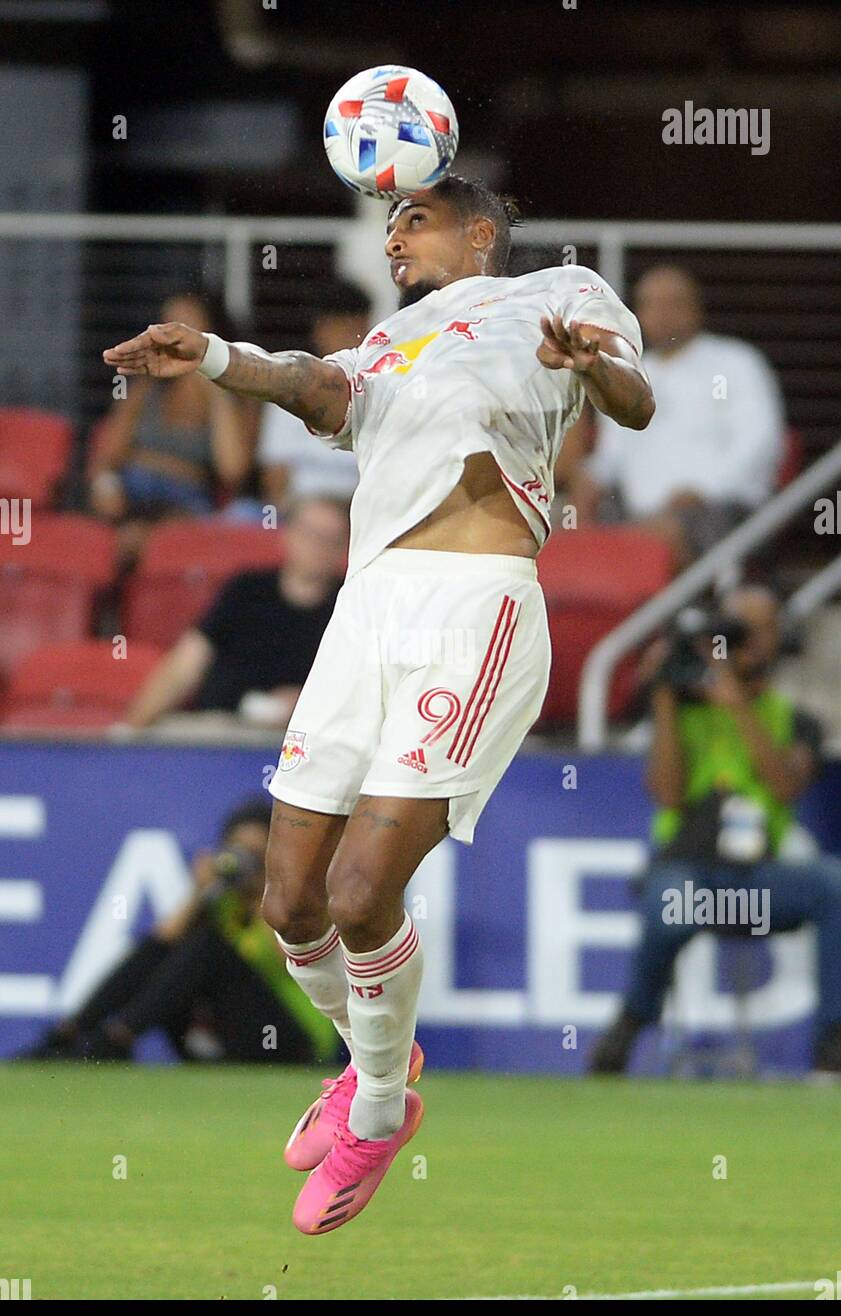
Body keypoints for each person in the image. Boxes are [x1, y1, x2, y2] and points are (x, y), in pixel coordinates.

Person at [103, 173, 654, 1234]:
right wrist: (214, 357)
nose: (394, 235)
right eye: (388, 222)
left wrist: (595, 370)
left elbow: (633, 395)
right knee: (288, 902)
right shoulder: (392, 340)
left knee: (362, 894)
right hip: (366, 615)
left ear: (482, 230)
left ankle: (383, 1107)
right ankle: (374, 1069)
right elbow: (317, 384)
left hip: (475, 604)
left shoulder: (557, 292)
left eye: (416, 216)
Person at [589, 586, 841, 1077]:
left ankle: (832, 1043)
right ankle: (629, 1024)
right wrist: (662, 694)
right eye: (729, 630)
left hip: (759, 879)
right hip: (689, 871)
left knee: (833, 885)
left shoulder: (794, 718)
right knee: (668, 901)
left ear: (775, 638)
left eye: (751, 631)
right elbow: (666, 793)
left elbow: (787, 785)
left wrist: (735, 704)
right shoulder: (683, 711)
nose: (737, 643)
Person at [20, 800, 338, 1066]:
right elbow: (161, 942)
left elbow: (294, 957)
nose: (247, 863)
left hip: (293, 1044)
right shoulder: (223, 901)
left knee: (207, 948)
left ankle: (118, 1038)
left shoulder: (295, 901)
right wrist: (198, 892)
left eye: (257, 854)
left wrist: (267, 891)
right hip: (229, 1041)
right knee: (168, 950)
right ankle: (68, 1034)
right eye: (238, 852)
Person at [568, 266, 784, 566]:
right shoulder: (629, 374)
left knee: (660, 536)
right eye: (652, 305)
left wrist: (703, 490)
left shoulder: (736, 362)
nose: (662, 314)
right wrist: (589, 476)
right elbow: (611, 456)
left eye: (673, 304)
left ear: (695, 309)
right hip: (637, 516)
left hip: (721, 510)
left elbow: (760, 444)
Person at [121, 495, 348, 733]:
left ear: (344, 548)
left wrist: (308, 705)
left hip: (304, 739)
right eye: (310, 534)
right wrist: (130, 729)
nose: (319, 547)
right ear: (288, 535)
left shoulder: (350, 606)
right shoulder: (246, 589)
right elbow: (184, 666)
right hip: (220, 728)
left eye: (331, 540)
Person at [89, 291, 251, 560]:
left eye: (186, 324)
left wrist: (213, 382)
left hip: (187, 501)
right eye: (168, 322)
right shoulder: (146, 385)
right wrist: (105, 484)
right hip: (132, 493)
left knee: (144, 541)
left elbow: (232, 471)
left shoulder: (235, 396)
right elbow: (108, 454)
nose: (172, 334)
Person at [255, 281, 370, 511]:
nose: (352, 339)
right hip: (303, 508)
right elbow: (275, 476)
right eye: (342, 329)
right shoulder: (288, 389)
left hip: (360, 509)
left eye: (358, 330)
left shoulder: (376, 390)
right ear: (321, 330)